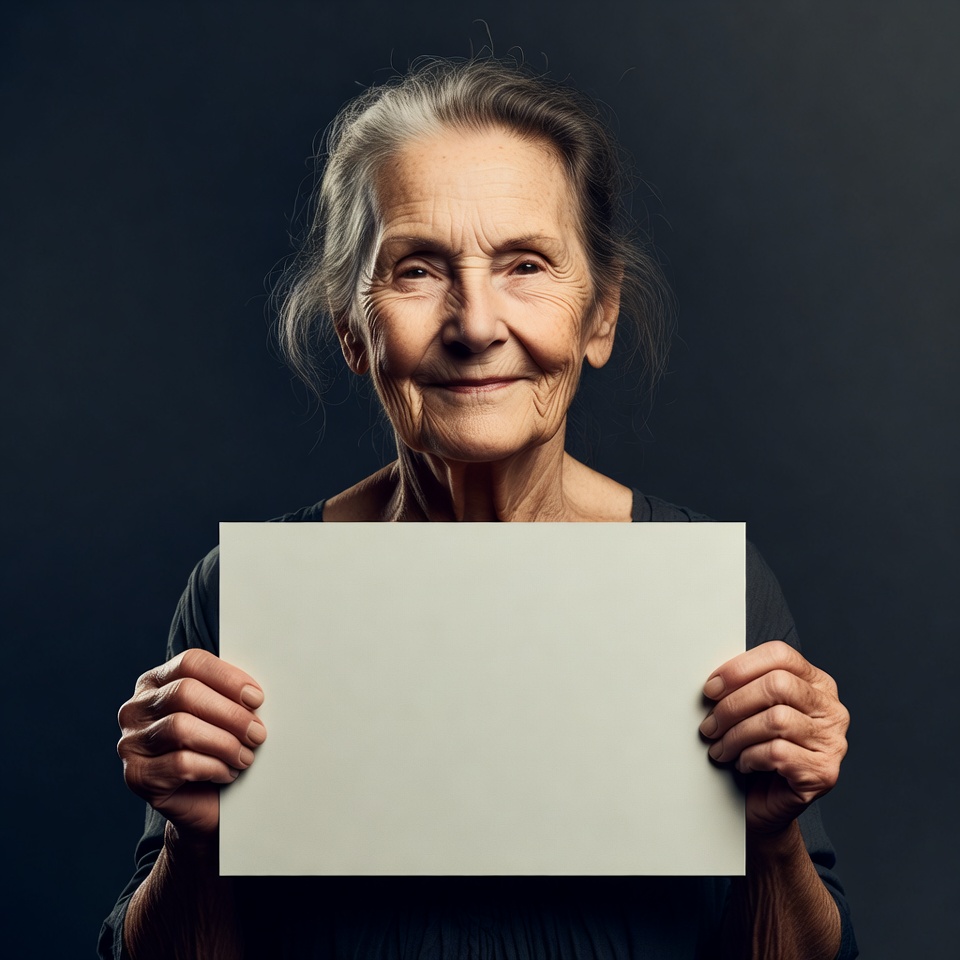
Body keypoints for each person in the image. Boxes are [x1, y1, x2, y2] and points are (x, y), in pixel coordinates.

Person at [100, 58, 857, 959]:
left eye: (526, 265)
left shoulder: (709, 583)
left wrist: (772, 839)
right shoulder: (246, 596)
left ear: (600, 316)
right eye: (417, 270)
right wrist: (194, 836)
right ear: (353, 330)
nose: (474, 324)